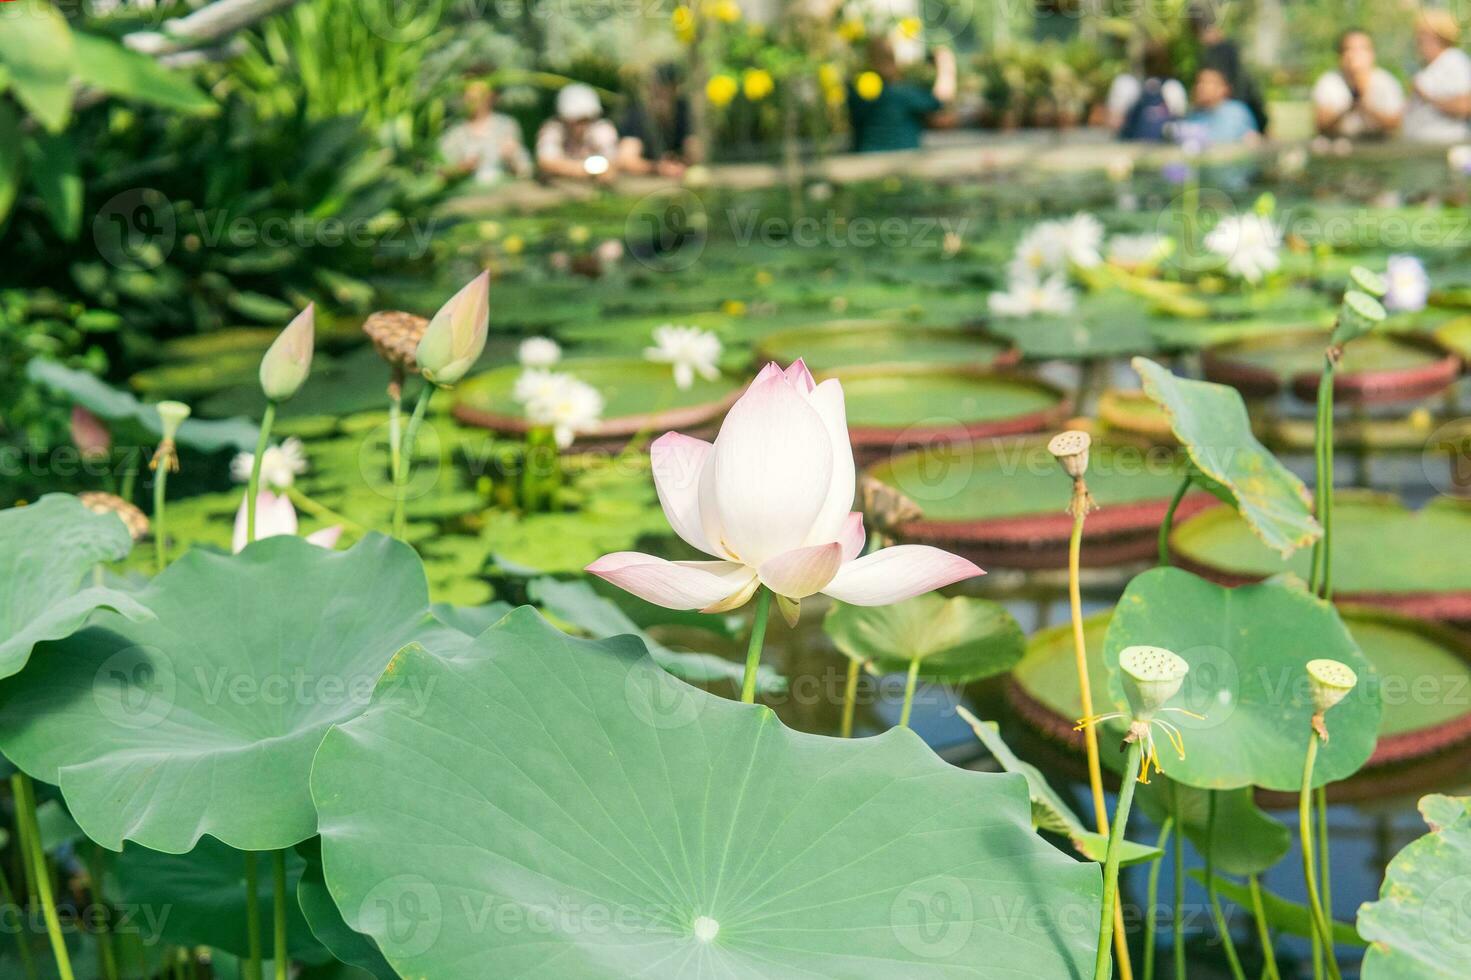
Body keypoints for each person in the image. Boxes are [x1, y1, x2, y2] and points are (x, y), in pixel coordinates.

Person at [848, 38, 956, 153]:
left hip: (866, 160)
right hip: (902, 161)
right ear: (893, 59)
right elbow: (942, 98)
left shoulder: (856, 91)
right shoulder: (902, 93)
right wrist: (945, 66)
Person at [1189, 2, 1269, 133]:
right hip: (1245, 110)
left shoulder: (1216, 52)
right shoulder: (1229, 47)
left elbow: (1238, 85)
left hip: (1238, 114)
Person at [1314, 29, 1405, 138]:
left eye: (1361, 49)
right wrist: (1348, 109)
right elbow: (1321, 125)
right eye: (1348, 49)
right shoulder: (1329, 82)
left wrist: (1366, 108)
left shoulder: (1386, 82)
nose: (1354, 55)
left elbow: (1395, 124)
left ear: (1372, 54)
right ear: (1340, 55)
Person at [438, 79, 531, 185]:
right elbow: (440, 173)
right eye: (469, 97)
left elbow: (525, 170)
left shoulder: (506, 126)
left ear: (491, 97)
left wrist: (512, 157)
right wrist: (462, 169)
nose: (474, 101)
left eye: (479, 96)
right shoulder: (454, 132)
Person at [616, 65, 701, 178]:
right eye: (654, 87)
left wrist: (681, 163)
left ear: (674, 89)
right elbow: (626, 160)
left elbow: (694, 150)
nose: (658, 92)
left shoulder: (682, 110)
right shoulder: (637, 114)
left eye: (664, 88)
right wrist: (657, 168)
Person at [1403, 10, 1471, 143]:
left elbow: (1465, 106)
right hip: (1421, 148)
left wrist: (1427, 97)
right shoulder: (1428, 67)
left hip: (1444, 145)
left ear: (1437, 36)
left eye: (1422, 35)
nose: (1417, 41)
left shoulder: (1454, 59)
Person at [536, 83, 621, 181]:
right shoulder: (553, 129)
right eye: (577, 120)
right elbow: (545, 162)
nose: (581, 125)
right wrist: (584, 170)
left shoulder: (602, 130)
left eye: (585, 120)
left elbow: (613, 162)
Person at [1109, 41, 1188, 141]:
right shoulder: (1174, 87)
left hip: (1140, 146)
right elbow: (1181, 121)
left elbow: (1114, 123)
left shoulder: (1127, 85)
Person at [1183, 67, 1261, 146]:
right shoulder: (1193, 117)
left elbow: (1253, 140)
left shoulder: (1237, 112)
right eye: (1198, 83)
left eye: (1208, 83)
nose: (1201, 87)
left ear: (1224, 89)